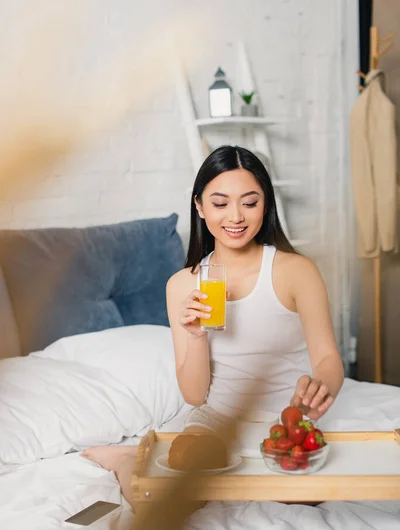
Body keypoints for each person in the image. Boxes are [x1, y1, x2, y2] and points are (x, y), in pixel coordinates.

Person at [83, 145, 344, 505]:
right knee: (169, 505)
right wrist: (196, 336)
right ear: (200, 206)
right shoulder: (182, 285)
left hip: (285, 424)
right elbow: (193, 395)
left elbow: (328, 358)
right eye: (220, 204)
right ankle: (129, 462)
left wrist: (320, 388)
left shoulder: (296, 271)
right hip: (214, 425)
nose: (235, 216)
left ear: (265, 205)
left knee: (305, 500)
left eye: (249, 203)